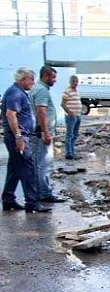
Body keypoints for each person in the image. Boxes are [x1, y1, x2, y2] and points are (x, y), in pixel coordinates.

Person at [1, 68, 51, 213]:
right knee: (27, 169)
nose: (33, 83)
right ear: (23, 79)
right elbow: (11, 114)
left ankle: (8, 199)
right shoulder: (16, 93)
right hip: (19, 137)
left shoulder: (18, 92)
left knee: (14, 169)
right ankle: (32, 202)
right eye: (31, 79)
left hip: (20, 136)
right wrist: (19, 137)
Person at [29, 66, 65, 204]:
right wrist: (46, 133)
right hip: (41, 133)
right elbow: (41, 112)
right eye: (53, 77)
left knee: (39, 164)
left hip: (38, 132)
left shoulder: (37, 89)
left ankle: (41, 191)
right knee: (43, 165)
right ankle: (43, 193)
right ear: (45, 76)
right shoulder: (41, 90)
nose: (55, 81)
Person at [61, 75, 82, 160]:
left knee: (75, 135)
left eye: (76, 81)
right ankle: (68, 153)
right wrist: (69, 112)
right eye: (73, 81)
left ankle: (72, 152)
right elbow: (62, 104)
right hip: (71, 116)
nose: (75, 83)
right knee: (69, 135)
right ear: (70, 82)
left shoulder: (77, 91)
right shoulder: (67, 91)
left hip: (78, 115)